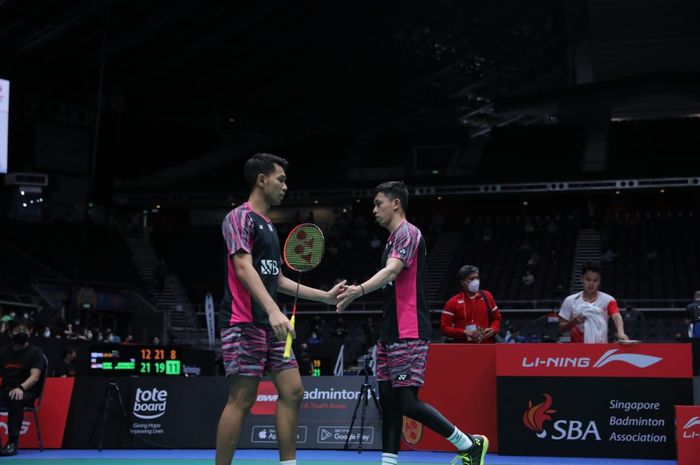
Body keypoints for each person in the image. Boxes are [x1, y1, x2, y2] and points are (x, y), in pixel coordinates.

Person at [337, 181, 488, 465]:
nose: (373, 210)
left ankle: (469, 444)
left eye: (378, 203)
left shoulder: (408, 233)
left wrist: (358, 290)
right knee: (389, 403)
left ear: (396, 203)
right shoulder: (393, 238)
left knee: (407, 402)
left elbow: (392, 271)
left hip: (409, 331)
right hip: (389, 332)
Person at [216, 153, 344, 465]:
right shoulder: (238, 218)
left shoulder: (269, 226)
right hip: (243, 322)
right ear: (261, 180)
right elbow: (244, 268)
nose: (285, 186)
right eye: (281, 179)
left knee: (293, 391)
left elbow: (278, 279)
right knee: (242, 399)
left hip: (271, 325)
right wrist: (274, 311)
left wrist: (325, 297)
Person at [0, 318, 45, 456]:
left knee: (15, 397)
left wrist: (21, 388)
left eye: (24, 330)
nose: (21, 332)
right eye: (18, 330)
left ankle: (12, 442)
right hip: (5, 390)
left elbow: (35, 376)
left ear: (30, 332)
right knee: (11, 395)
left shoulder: (35, 352)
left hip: (26, 392)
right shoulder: (3, 352)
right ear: (10, 333)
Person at [558, 261, 629, 343]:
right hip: (576, 350)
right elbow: (561, 329)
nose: (591, 283)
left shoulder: (608, 300)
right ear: (581, 278)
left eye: (595, 280)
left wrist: (621, 332)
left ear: (599, 282)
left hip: (600, 350)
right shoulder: (569, 300)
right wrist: (573, 322)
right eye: (588, 279)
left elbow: (617, 317)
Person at [441, 265, 502, 343]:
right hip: (462, 348)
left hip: (486, 346)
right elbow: (444, 328)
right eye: (472, 279)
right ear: (463, 282)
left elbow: (497, 318)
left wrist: (493, 329)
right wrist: (464, 332)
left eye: (477, 278)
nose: (476, 281)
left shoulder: (487, 296)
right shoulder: (452, 302)